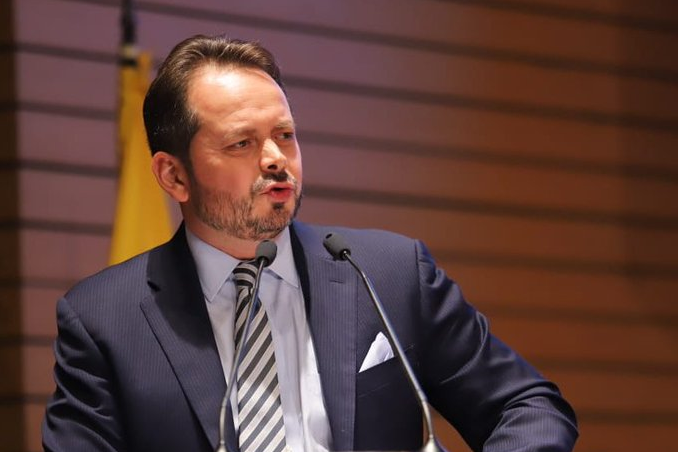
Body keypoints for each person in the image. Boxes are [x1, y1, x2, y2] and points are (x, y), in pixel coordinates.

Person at [42, 35, 578, 452]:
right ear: (173, 176)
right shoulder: (105, 319)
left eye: (285, 135)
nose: (276, 158)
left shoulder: (389, 274)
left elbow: (527, 407)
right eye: (242, 143)